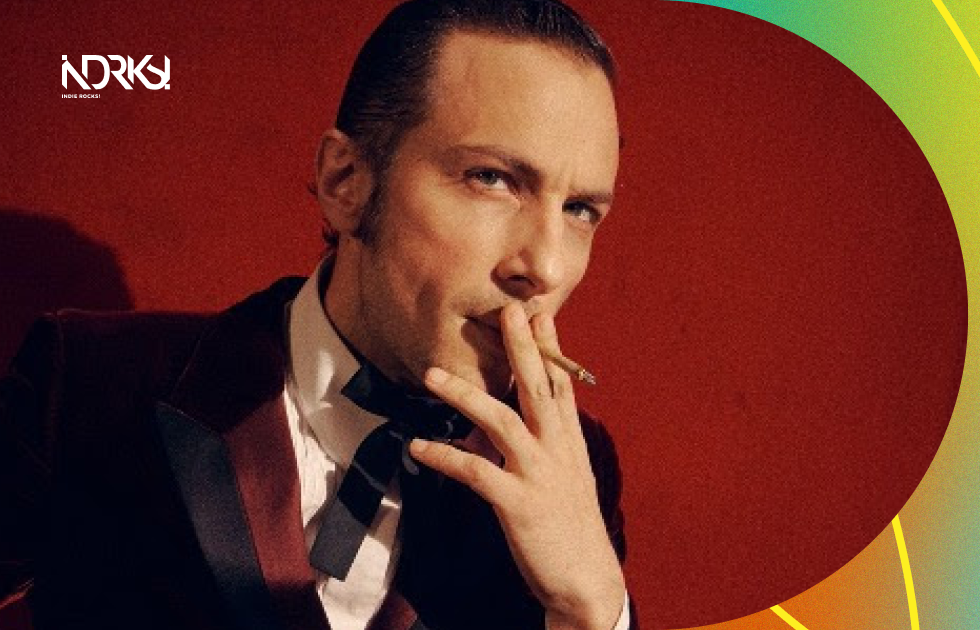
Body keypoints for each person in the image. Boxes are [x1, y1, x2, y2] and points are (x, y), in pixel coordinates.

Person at [0, 0, 633, 628]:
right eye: (491, 178)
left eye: (580, 209)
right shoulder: (86, 382)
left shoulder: (578, 470)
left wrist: (594, 610)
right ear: (345, 181)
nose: (546, 266)